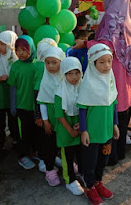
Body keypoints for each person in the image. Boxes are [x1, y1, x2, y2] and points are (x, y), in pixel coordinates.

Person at [74, 0, 131, 166]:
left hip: (110, 68)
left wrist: (85, 44)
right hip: (123, 70)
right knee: (121, 111)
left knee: (110, 110)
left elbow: (106, 46)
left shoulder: (112, 15)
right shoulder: (128, 16)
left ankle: (109, 156)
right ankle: (120, 152)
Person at [76, 43, 119, 205]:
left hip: (107, 131)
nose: (107, 65)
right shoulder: (87, 84)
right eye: (102, 62)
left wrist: (115, 125)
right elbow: (82, 109)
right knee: (90, 161)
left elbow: (114, 104)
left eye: (109, 61)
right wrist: (84, 131)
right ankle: (89, 186)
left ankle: (97, 182)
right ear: (93, 63)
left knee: (104, 158)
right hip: (92, 134)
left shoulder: (110, 81)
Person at [55, 57, 84, 196]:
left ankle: (81, 174)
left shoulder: (83, 88)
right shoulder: (60, 92)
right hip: (66, 130)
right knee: (67, 156)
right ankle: (70, 181)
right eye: (69, 73)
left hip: (79, 127)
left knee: (80, 153)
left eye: (76, 73)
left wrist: (82, 125)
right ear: (63, 74)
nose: (74, 77)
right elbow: (60, 115)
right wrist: (71, 130)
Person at [37, 47, 66, 186]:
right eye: (47, 63)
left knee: (66, 144)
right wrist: (46, 121)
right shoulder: (45, 80)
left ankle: (67, 165)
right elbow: (42, 101)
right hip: (51, 120)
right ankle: (50, 170)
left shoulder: (66, 78)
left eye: (54, 62)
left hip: (65, 120)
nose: (50, 66)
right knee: (50, 145)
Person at [8, 35, 37, 170]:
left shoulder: (37, 65)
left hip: (35, 107)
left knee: (34, 131)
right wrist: (13, 105)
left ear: (31, 49)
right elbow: (12, 87)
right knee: (22, 133)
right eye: (17, 50)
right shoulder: (15, 66)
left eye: (24, 50)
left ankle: (33, 152)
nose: (20, 53)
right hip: (21, 106)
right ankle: (22, 156)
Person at [0, 30, 19, 162]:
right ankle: (0, 145)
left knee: (14, 121)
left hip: (13, 98)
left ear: (10, 44)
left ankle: (16, 141)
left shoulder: (17, 60)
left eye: (2, 44)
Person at [33, 38, 58, 172]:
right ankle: (44, 159)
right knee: (45, 136)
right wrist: (38, 115)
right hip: (43, 103)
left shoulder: (39, 64)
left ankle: (49, 158)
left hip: (50, 105)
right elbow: (37, 93)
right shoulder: (39, 65)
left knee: (48, 137)